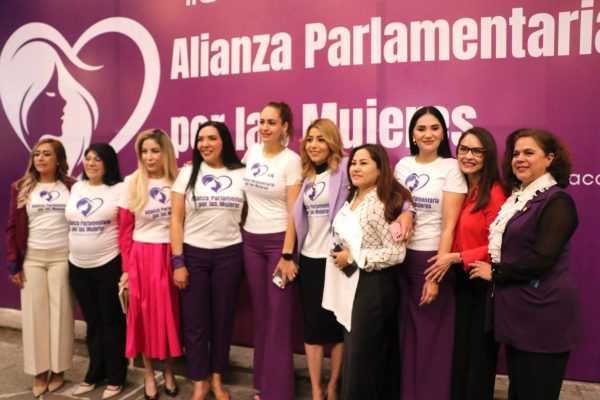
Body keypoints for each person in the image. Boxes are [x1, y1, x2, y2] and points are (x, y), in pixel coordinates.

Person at [470, 129, 584, 400]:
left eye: (529, 153)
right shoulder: (520, 198)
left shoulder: (557, 201)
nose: (519, 158)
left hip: (543, 315)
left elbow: (542, 259)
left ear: (549, 159)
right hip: (519, 315)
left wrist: (495, 272)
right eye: (516, 154)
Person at [425, 127, 507, 400]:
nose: (468, 156)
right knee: (460, 355)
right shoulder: (460, 188)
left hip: (482, 282)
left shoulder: (495, 193)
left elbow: (499, 244)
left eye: (476, 151)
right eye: (463, 149)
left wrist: (459, 257)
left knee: (479, 359)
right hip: (459, 281)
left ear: (488, 155)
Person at [324, 144, 411, 400]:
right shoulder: (353, 197)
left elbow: (396, 253)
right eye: (353, 163)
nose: (356, 168)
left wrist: (355, 257)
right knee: (355, 357)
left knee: (362, 361)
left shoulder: (381, 204)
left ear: (380, 168)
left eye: (364, 163)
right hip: (351, 286)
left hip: (373, 289)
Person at [393, 106, 467, 400]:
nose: (428, 134)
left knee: (431, 340)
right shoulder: (402, 165)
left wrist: (434, 276)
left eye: (434, 128)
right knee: (406, 337)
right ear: (412, 134)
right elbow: (395, 209)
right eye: (421, 128)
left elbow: (449, 226)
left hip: (432, 260)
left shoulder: (451, 168)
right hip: (400, 260)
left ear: (443, 133)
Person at [171, 121, 246, 400]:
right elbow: (175, 220)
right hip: (194, 255)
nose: (205, 144)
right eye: (200, 139)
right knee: (195, 323)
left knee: (223, 320)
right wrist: (178, 262)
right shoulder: (187, 173)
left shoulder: (241, 174)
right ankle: (199, 380)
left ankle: (216, 378)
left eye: (212, 138)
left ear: (223, 141)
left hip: (230, 255)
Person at [6, 138, 76, 397]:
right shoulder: (21, 187)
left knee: (62, 314)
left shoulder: (72, 186)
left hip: (63, 257)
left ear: (58, 159)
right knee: (35, 315)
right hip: (32, 258)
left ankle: (58, 369)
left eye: (47, 154)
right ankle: (39, 370)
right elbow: (12, 226)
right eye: (37, 154)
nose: (40, 158)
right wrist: (14, 264)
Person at [242, 101, 302, 400]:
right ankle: (263, 385)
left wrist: (288, 254)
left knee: (278, 317)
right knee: (263, 314)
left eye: (271, 122)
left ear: (284, 127)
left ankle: (279, 392)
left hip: (279, 243)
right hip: (250, 243)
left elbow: (294, 212)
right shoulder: (251, 152)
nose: (264, 127)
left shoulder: (291, 161)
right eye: (262, 121)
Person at [118, 129, 182, 399]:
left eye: (155, 151)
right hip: (142, 257)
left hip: (172, 255)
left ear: (165, 152)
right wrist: (125, 269)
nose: (149, 157)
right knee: (142, 317)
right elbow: (124, 230)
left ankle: (169, 371)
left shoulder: (178, 180)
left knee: (170, 316)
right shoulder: (131, 182)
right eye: (144, 152)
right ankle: (147, 373)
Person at [66, 143, 127, 399]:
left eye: (97, 159)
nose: (91, 163)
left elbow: (127, 228)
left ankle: (115, 376)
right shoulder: (77, 187)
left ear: (108, 163)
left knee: (112, 322)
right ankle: (94, 373)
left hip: (108, 264)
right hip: (78, 266)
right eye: (88, 158)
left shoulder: (120, 189)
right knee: (93, 322)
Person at [293, 118, 346, 400]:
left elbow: (383, 188)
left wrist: (407, 211)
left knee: (337, 328)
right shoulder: (305, 174)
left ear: (332, 142)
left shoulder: (346, 169)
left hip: (337, 260)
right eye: (310, 139)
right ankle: (316, 389)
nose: (313, 145)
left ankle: (333, 386)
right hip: (310, 260)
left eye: (320, 139)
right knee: (312, 329)